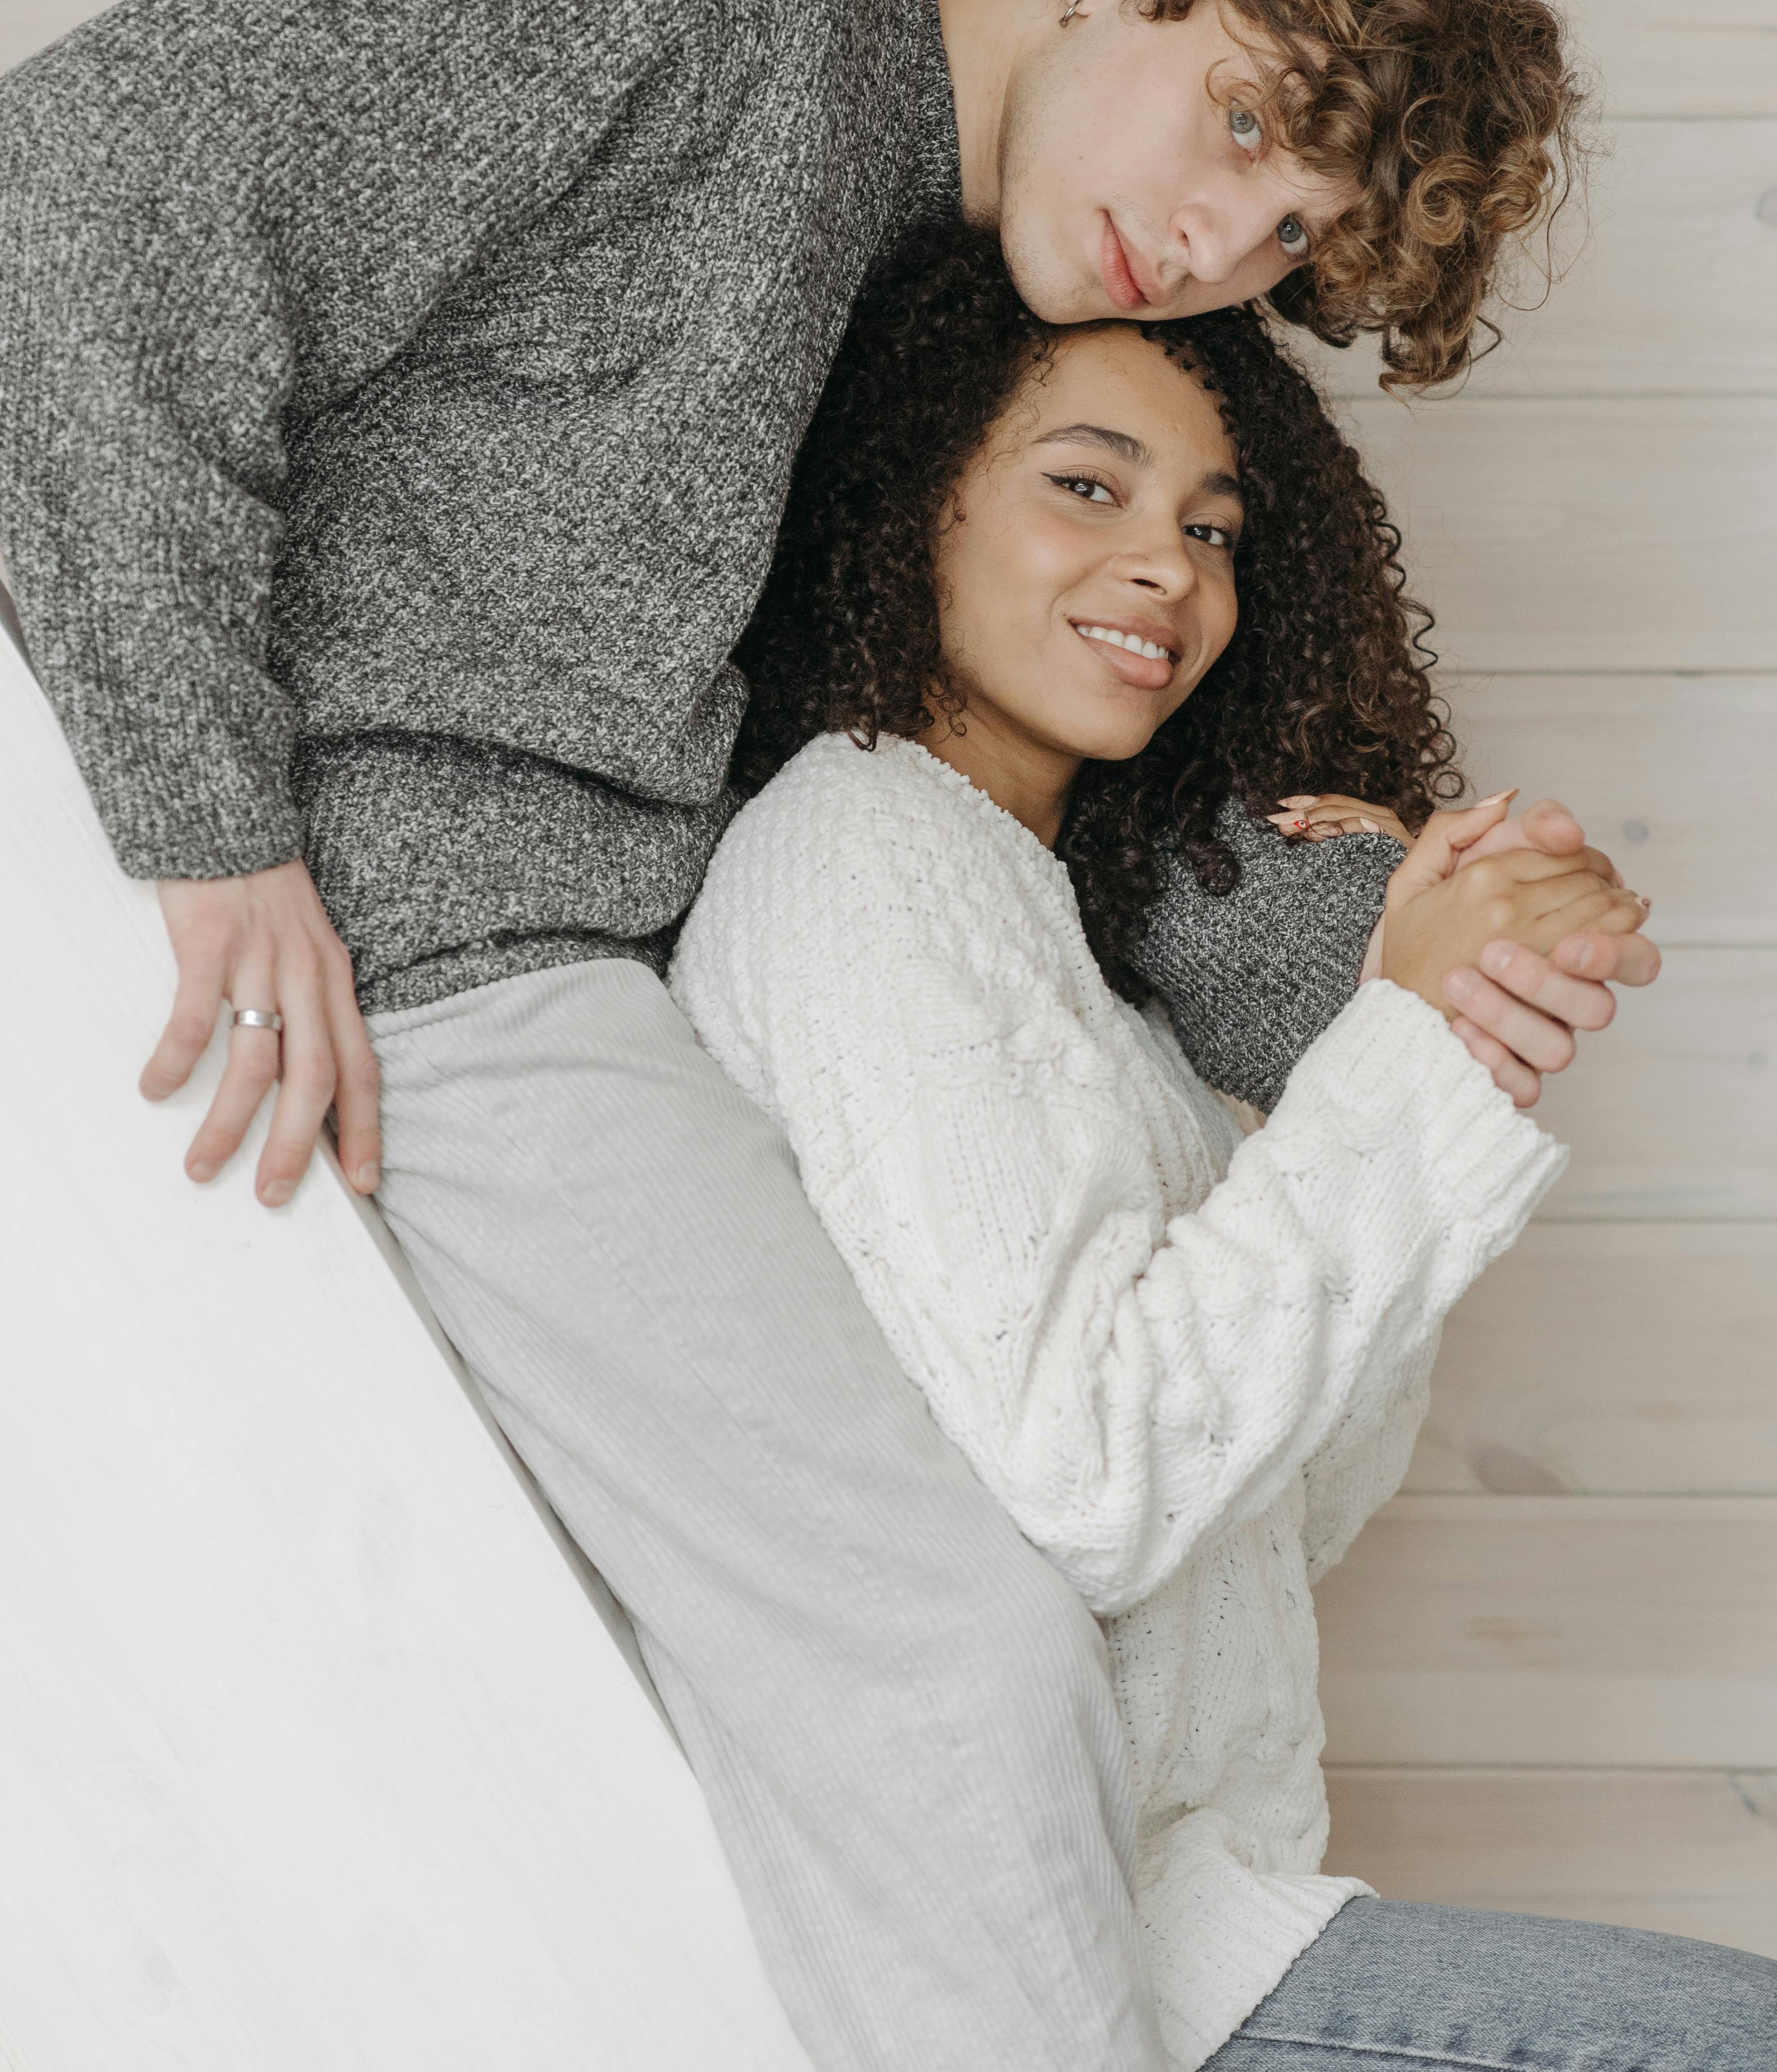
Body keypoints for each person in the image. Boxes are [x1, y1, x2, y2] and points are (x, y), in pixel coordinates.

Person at [0, 0, 1656, 2072]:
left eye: (1296, 229)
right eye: (1242, 123)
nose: (1222, 240)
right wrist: (210, 820)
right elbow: (79, 190)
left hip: (569, 956)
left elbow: (1088, 816)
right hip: (424, 937)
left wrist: (1418, 930)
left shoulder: (948, 298)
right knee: (946, 1665)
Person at [672, 232, 1770, 2071]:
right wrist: (1404, 1046)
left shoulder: (1060, 942)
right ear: (909, 502)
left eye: (1214, 526)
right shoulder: (857, 850)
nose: (1165, 569)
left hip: (1213, 1899)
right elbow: (1091, 1483)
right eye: (1084, 485)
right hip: (1064, 1937)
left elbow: (1279, 1513)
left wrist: (1407, 1035)